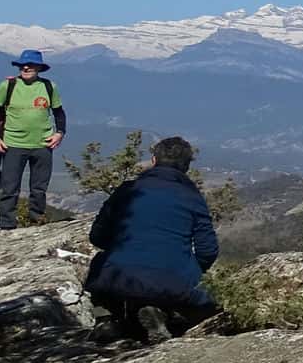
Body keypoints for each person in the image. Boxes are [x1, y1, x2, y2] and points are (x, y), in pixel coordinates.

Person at [83, 136, 219, 342]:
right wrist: (190, 269)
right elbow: (207, 250)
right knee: (209, 302)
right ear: (186, 167)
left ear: (154, 160)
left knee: (100, 262)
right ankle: (162, 313)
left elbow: (97, 236)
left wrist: (123, 251)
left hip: (118, 279)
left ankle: (106, 320)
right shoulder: (193, 198)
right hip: (174, 284)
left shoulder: (127, 190)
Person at [0, 50, 66, 230]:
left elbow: (59, 112)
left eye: (30, 64)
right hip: (13, 144)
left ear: (39, 68)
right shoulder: (8, 86)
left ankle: (36, 222)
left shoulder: (49, 87)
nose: (26, 67)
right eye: (23, 65)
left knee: (39, 189)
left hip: (43, 144)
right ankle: (7, 225)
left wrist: (60, 133)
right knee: (10, 189)